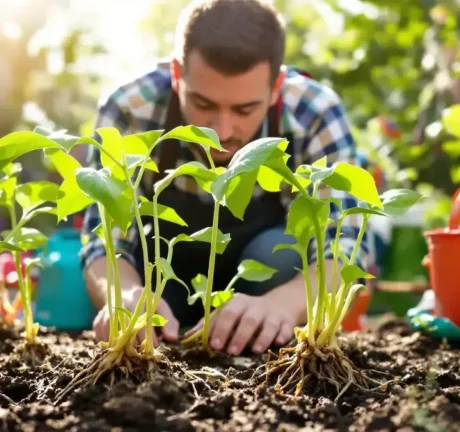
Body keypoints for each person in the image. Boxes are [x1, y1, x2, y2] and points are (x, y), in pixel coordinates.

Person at [78, 0, 371, 356]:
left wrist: (285, 303)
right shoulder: (130, 109)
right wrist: (124, 296)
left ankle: (257, 335)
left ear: (276, 86)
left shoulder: (313, 112)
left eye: (245, 109)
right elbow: (103, 239)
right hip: (165, 279)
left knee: (277, 255)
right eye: (203, 104)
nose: (222, 130)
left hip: (265, 282)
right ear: (176, 73)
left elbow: (343, 244)